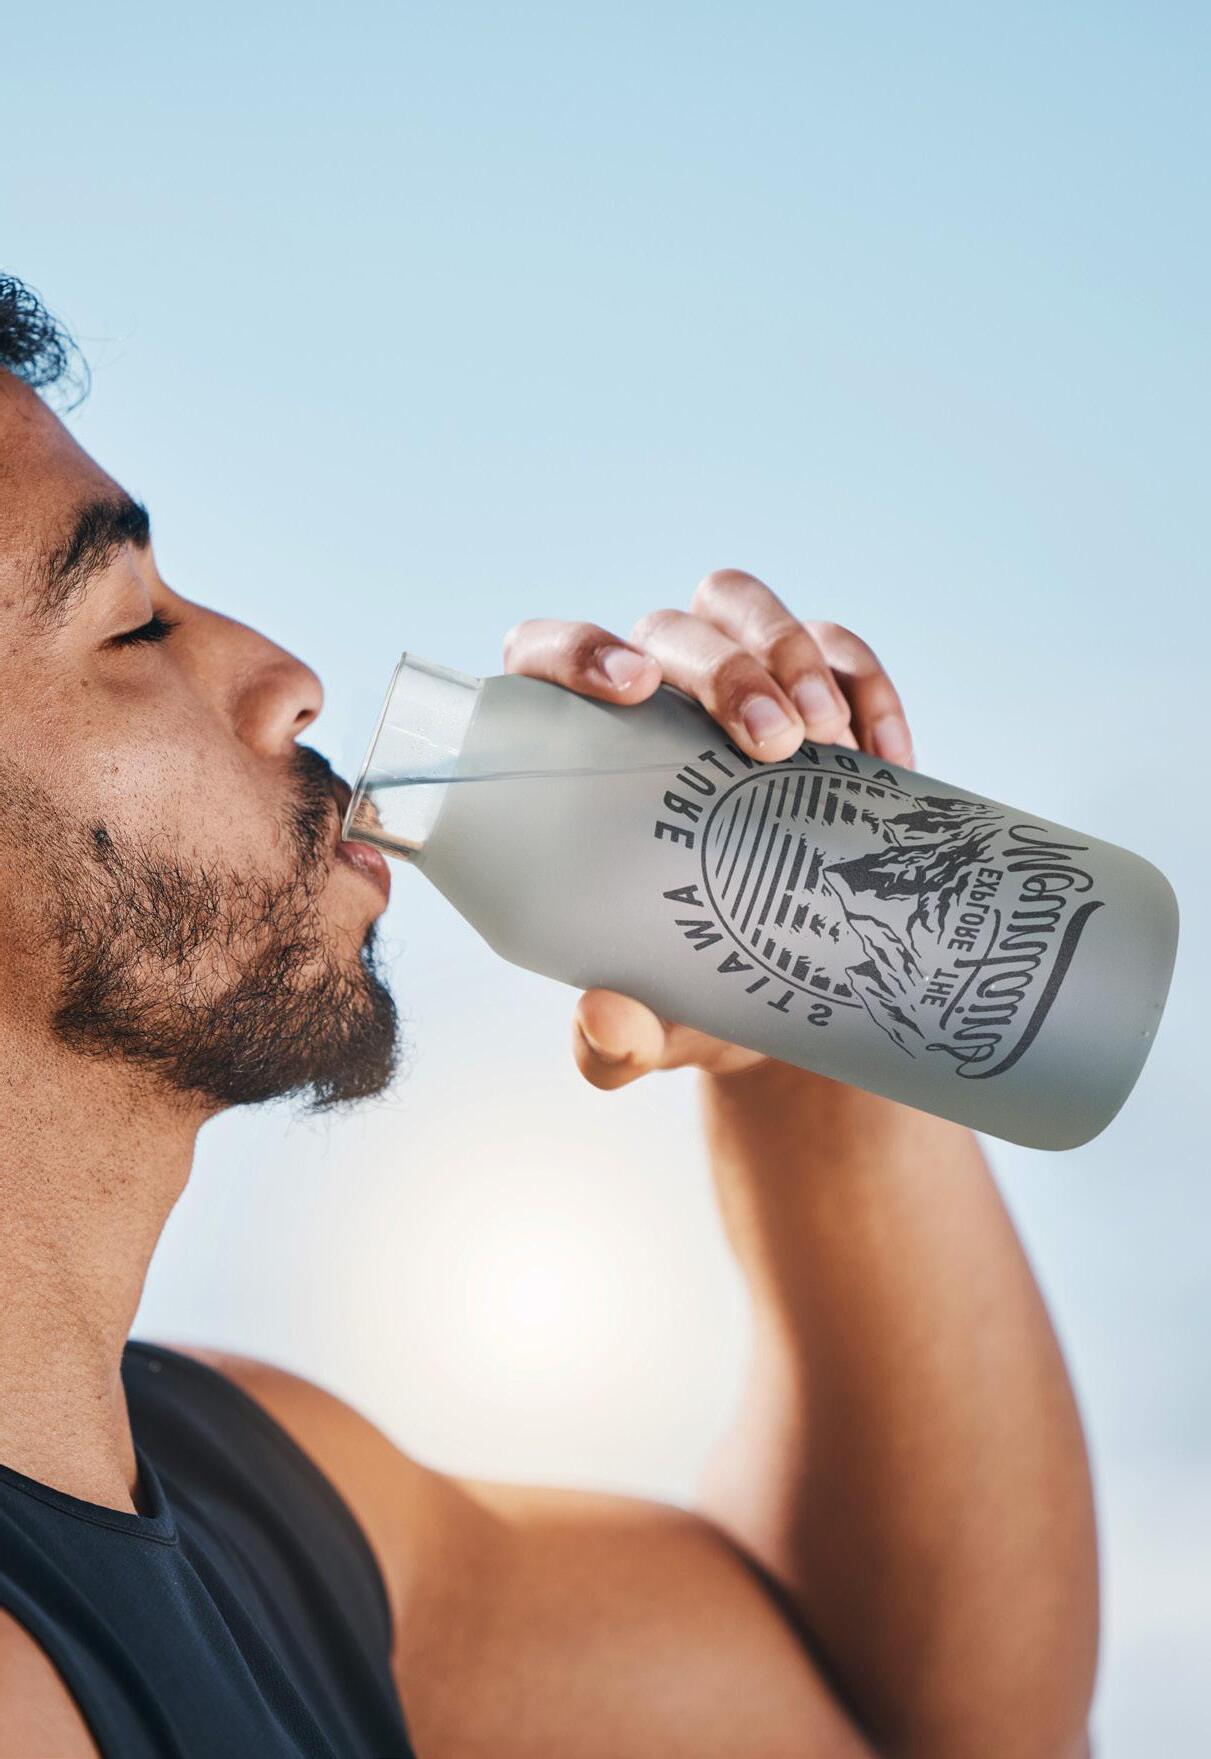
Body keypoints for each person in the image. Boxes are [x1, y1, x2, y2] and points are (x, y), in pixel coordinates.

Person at [0, 273, 1097, 1759]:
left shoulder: (259, 1500)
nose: (289, 681)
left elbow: (930, 1726)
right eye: (132, 626)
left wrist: (804, 1037)